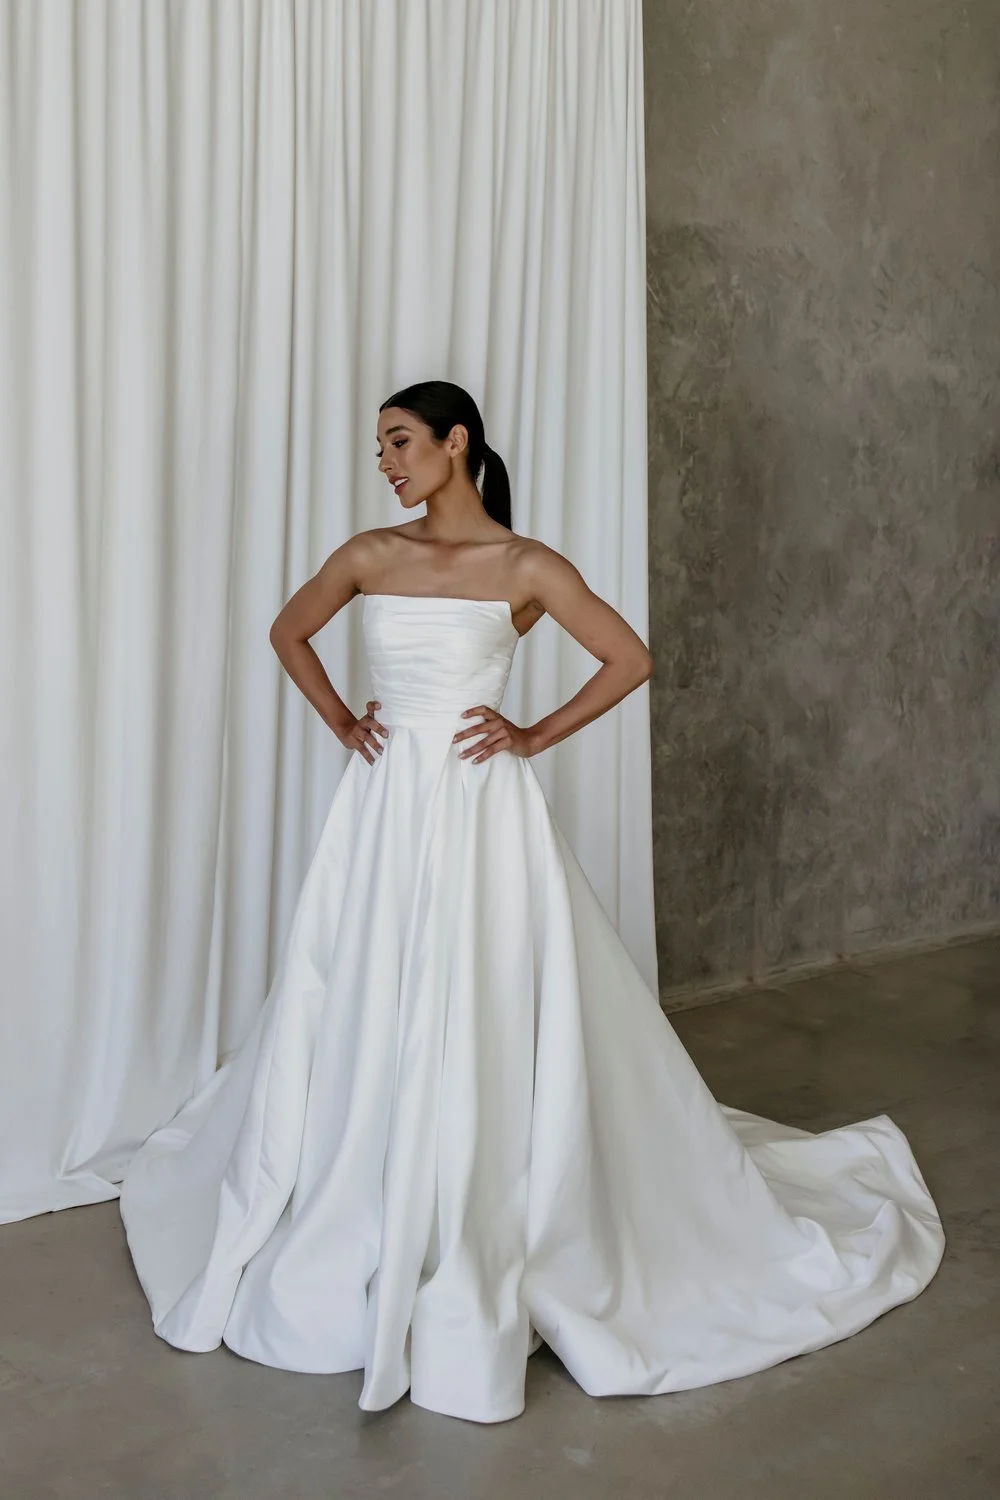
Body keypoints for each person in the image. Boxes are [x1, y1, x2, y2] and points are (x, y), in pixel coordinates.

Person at [119, 379, 945, 1424]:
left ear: (456, 443)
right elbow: (290, 633)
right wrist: (344, 724)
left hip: (481, 810)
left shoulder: (525, 566)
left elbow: (630, 659)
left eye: (401, 442)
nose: (386, 463)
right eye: (380, 447)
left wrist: (530, 735)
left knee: (483, 991)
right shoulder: (370, 553)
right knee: (368, 980)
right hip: (383, 810)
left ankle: (484, 1185)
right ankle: (365, 1174)